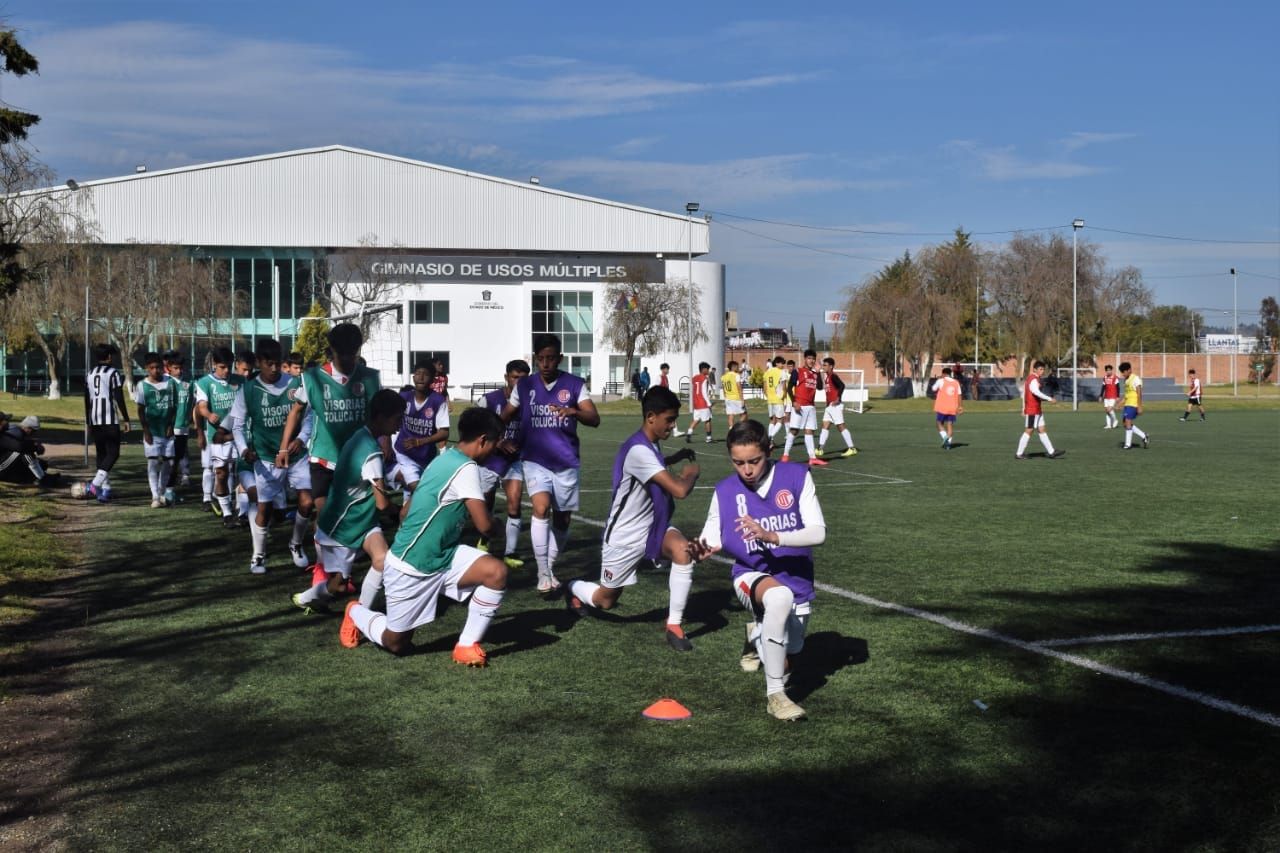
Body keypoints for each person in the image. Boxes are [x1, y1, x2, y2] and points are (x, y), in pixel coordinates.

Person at [338, 407, 509, 667]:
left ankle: (466, 645)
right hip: (411, 566)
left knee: (496, 572)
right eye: (495, 443)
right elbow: (484, 526)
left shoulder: (445, 457)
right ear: (483, 440)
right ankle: (356, 612)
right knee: (396, 643)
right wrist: (498, 525)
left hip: (443, 555)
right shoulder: (466, 469)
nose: (495, 450)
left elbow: (407, 511)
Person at [688, 419, 826, 721]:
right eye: (738, 463)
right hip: (750, 575)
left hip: (797, 580)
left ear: (770, 451)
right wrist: (697, 549)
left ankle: (756, 635)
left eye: (754, 461)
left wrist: (772, 536)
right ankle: (776, 696)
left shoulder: (797, 476)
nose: (746, 469)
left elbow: (818, 533)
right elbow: (710, 535)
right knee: (778, 599)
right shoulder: (725, 490)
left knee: (792, 654)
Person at [565, 386, 701, 651]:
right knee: (606, 600)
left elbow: (657, 462)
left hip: (651, 526)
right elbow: (680, 490)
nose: (673, 426)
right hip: (624, 536)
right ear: (651, 416)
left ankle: (674, 625)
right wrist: (691, 472)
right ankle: (572, 588)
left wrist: (676, 456)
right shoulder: (639, 450)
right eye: (669, 419)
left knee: (682, 551)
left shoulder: (648, 442)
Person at [280, 323, 382, 583]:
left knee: (352, 518)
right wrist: (284, 446)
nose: (348, 359)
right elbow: (296, 411)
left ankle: (341, 570)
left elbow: (378, 414)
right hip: (324, 458)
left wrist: (386, 442)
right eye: (342, 353)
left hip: (357, 461)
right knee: (325, 515)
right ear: (332, 351)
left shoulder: (370, 377)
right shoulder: (313, 377)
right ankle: (324, 569)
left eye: (353, 353)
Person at [500, 333, 601, 594]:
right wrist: (496, 437)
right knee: (541, 508)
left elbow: (594, 418)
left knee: (563, 520)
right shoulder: (524, 386)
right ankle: (543, 573)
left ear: (560, 358)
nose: (545, 364)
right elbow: (506, 415)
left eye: (551, 358)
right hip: (535, 459)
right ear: (535, 358)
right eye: (541, 358)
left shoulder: (575, 384)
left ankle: (548, 567)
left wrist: (574, 411)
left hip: (566, 460)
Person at [293, 388, 402, 614]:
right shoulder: (371, 451)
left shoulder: (359, 434)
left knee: (382, 560)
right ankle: (305, 598)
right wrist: (399, 511)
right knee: (338, 586)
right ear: (382, 417)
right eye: (397, 419)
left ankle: (358, 616)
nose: (400, 425)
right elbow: (382, 504)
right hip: (341, 526)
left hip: (362, 519)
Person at [229, 339, 315, 575]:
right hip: (266, 458)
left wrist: (301, 439)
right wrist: (244, 448)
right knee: (264, 510)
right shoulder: (248, 390)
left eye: (278, 364)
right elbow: (237, 426)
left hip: (296, 455)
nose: (274, 369)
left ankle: (296, 544)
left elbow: (308, 417)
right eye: (269, 364)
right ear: (259, 363)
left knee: (307, 502)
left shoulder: (295, 384)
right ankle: (258, 554)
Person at [479, 359, 531, 570]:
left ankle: (510, 552)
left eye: (523, 378)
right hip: (489, 460)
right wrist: (498, 442)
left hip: (513, 461)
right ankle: (484, 539)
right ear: (506, 377)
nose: (518, 382)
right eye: (514, 377)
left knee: (514, 503)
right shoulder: (488, 400)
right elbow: (476, 428)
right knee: (486, 502)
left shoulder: (531, 401)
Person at [194, 347, 246, 522]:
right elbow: (201, 406)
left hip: (240, 436)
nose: (226, 371)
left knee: (241, 474)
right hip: (217, 437)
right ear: (214, 364)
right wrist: (209, 415)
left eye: (229, 367)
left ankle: (242, 511)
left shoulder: (241, 381)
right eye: (222, 367)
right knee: (221, 474)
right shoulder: (204, 383)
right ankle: (227, 512)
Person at [390, 360, 449, 496]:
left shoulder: (438, 401)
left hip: (426, 457)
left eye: (426, 374)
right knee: (418, 490)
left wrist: (419, 442)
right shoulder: (404, 397)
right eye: (418, 373)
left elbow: (444, 433)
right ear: (413, 377)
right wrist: (385, 440)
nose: (421, 377)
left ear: (433, 379)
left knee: (410, 497)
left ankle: (405, 515)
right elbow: (389, 418)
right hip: (404, 454)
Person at [84, 342, 132, 502]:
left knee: (102, 454)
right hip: (109, 418)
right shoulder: (113, 373)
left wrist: (88, 421)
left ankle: (106, 490)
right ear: (109, 357)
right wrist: (126, 418)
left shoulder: (90, 373)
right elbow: (119, 397)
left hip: (95, 419)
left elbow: (86, 399)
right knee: (113, 453)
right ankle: (95, 485)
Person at [134, 351, 179, 508]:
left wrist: (171, 425)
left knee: (168, 462)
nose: (155, 371)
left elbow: (175, 407)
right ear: (147, 368)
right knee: (153, 461)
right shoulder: (142, 386)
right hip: (152, 431)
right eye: (152, 368)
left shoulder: (171, 382)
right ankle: (154, 495)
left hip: (167, 430)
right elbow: (140, 409)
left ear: (163, 367)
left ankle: (161, 492)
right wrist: (146, 430)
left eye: (158, 367)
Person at [781, 350, 826, 466]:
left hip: (811, 406)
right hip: (799, 405)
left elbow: (820, 387)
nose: (811, 361)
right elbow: (790, 386)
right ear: (805, 359)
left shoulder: (815, 373)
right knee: (794, 430)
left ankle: (812, 457)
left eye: (813, 359)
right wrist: (794, 402)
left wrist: (819, 371)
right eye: (809, 358)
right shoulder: (798, 371)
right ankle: (785, 455)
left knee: (809, 431)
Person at [1015, 361, 1064, 460]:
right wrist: (1050, 399)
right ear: (1035, 369)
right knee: (1029, 430)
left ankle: (1051, 452)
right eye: (1040, 369)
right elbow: (1036, 392)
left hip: (1037, 409)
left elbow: (1025, 394)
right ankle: (1019, 453)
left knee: (1042, 430)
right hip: (1032, 409)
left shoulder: (1032, 379)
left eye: (1043, 369)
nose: (1042, 371)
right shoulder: (1033, 380)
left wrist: (1023, 408)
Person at [163, 351, 195, 490]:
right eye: (176, 368)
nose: (179, 371)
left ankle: (184, 475)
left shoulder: (189, 382)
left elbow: (194, 401)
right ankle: (167, 482)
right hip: (169, 426)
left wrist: (192, 417)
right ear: (168, 367)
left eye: (181, 368)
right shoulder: (165, 382)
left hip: (183, 425)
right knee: (169, 455)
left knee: (182, 452)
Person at [815, 357, 857, 458]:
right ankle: (819, 449)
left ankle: (852, 448)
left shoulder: (833, 376)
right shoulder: (827, 376)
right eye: (823, 365)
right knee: (825, 426)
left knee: (840, 426)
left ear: (831, 366)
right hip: (829, 406)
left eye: (825, 365)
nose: (823, 367)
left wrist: (838, 398)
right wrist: (817, 372)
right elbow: (819, 387)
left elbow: (842, 385)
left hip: (835, 406)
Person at [0, 412, 54, 485]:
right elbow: (19, 447)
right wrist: (35, 446)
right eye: (5, 420)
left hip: (4, 463)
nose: (8, 423)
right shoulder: (10, 433)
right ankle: (42, 478)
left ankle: (37, 477)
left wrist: (34, 445)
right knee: (23, 452)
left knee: (41, 464)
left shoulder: (6, 432)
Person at [681, 361, 714, 444]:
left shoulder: (694, 378)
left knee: (696, 419)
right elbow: (704, 392)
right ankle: (709, 438)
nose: (708, 371)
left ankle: (689, 433)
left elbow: (694, 390)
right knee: (708, 420)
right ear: (703, 369)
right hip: (703, 403)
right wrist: (709, 403)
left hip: (696, 403)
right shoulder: (704, 378)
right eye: (707, 369)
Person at [1119, 361, 1149, 450]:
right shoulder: (1126, 380)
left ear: (1129, 370)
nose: (1123, 374)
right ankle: (1144, 436)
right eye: (1122, 373)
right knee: (1125, 423)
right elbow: (1127, 394)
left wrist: (1139, 406)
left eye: (1124, 372)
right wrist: (1120, 403)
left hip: (1133, 404)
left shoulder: (1135, 378)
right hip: (1127, 404)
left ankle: (1128, 445)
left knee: (1128, 421)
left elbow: (1139, 392)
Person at [931, 366, 963, 450]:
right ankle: (948, 445)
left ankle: (946, 439)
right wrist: (960, 406)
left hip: (942, 407)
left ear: (943, 373)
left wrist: (938, 381)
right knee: (950, 425)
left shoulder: (941, 381)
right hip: (953, 407)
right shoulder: (956, 382)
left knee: (939, 423)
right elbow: (959, 395)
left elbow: (933, 389)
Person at [762, 356, 787, 444]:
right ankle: (770, 436)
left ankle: (770, 440)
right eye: (781, 363)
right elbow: (784, 387)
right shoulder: (782, 372)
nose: (783, 365)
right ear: (776, 363)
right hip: (778, 399)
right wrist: (783, 397)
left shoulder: (767, 371)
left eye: (783, 363)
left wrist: (768, 396)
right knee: (780, 420)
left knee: (772, 420)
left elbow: (764, 387)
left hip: (770, 399)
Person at [721, 359, 747, 433]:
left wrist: (725, 397)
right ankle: (736, 427)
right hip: (736, 398)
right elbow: (739, 388)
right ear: (733, 367)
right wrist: (742, 399)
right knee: (744, 415)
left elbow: (723, 389)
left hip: (728, 398)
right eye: (737, 367)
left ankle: (731, 429)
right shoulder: (736, 375)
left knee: (730, 415)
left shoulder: (723, 377)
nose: (738, 368)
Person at [1100, 364, 1121, 429]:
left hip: (1113, 396)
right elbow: (1103, 387)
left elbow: (1118, 387)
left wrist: (1117, 396)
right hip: (1106, 396)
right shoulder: (1105, 377)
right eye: (1107, 370)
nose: (1108, 371)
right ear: (1106, 371)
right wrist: (1101, 396)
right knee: (1107, 410)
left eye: (1110, 370)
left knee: (1110, 409)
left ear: (1111, 370)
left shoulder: (1115, 377)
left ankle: (1115, 420)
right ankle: (1108, 425)